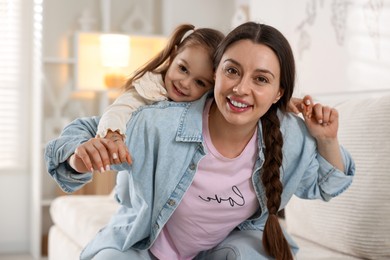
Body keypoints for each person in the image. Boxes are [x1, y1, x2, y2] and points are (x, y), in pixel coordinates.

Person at [45, 21, 355, 260]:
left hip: (223, 247)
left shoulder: (291, 136)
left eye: (260, 79)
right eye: (232, 71)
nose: (241, 89)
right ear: (217, 74)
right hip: (142, 244)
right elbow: (82, 134)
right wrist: (78, 155)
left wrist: (326, 140)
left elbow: (327, 186)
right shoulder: (160, 123)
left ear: (278, 93)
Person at [95, 24, 225, 170]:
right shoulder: (148, 88)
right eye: (183, 69)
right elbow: (119, 110)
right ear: (173, 56)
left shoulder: (207, 110)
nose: (185, 83)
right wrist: (114, 136)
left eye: (200, 82)